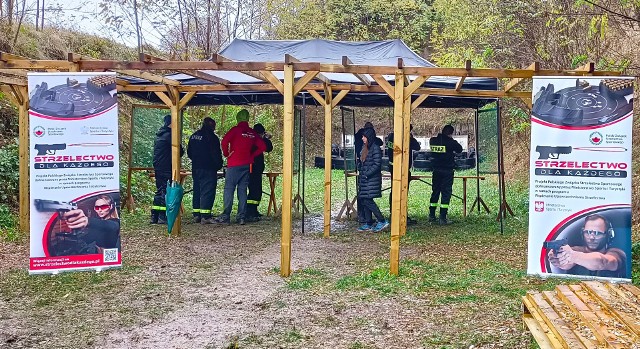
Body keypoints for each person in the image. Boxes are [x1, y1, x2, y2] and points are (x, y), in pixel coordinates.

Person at [216, 109, 266, 225]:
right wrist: (251, 155)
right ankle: (241, 217)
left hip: (233, 164)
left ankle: (226, 216)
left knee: (229, 189)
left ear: (238, 118)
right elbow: (263, 146)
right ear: (248, 119)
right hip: (246, 165)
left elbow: (224, 142)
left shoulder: (235, 130)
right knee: (242, 191)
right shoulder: (251, 133)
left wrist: (226, 154)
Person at [548, 214, 627, 278]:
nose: (591, 237)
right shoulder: (576, 250)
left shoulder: (617, 254)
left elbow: (603, 262)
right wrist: (558, 258)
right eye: (588, 232)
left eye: (597, 233)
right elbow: (567, 264)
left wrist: (572, 256)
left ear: (608, 235)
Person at [187, 117, 223, 224]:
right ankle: (205, 216)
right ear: (212, 126)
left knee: (197, 189)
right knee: (207, 191)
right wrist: (218, 165)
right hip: (208, 168)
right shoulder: (212, 138)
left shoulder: (194, 136)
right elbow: (215, 154)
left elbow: (189, 152)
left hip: (196, 167)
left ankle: (197, 214)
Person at [151, 114, 184, 224]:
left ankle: (154, 216)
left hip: (159, 166)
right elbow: (180, 151)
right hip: (167, 166)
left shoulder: (160, 134)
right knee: (166, 190)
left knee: (160, 190)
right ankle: (162, 216)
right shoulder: (170, 135)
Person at [386, 124, 421, 225]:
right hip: (402, 170)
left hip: (393, 168)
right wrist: (411, 138)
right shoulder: (406, 138)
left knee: (394, 191)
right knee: (402, 192)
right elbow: (417, 147)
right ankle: (402, 215)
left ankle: (393, 214)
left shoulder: (391, 136)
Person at [357, 127, 389, 232]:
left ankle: (382, 221)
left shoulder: (375, 148)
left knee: (368, 200)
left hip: (371, 180)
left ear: (369, 137)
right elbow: (362, 161)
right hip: (365, 179)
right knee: (364, 199)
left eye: (364, 136)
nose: (362, 138)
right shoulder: (365, 147)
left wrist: (366, 174)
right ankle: (369, 222)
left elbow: (377, 164)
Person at [429, 124, 462, 225]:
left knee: (435, 191)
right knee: (446, 193)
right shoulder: (450, 142)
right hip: (447, 170)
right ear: (450, 133)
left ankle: (431, 215)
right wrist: (451, 140)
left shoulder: (433, 140)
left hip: (436, 170)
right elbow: (459, 149)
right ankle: (442, 217)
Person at [246, 123, 273, 222]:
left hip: (256, 168)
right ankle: (250, 212)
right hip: (252, 167)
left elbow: (269, 148)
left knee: (256, 190)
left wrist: (265, 138)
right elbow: (268, 147)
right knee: (254, 190)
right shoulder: (254, 139)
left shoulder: (255, 138)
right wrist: (265, 138)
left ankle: (253, 210)